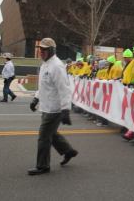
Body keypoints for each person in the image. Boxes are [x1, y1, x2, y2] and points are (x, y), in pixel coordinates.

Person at [27, 38, 78, 175]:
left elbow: (64, 89)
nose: (41, 52)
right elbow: (44, 85)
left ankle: (43, 166)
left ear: (52, 50)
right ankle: (68, 151)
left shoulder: (57, 66)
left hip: (54, 109)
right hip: (45, 106)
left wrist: (66, 110)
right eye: (40, 49)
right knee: (52, 134)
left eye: (44, 50)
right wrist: (36, 99)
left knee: (44, 136)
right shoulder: (45, 64)